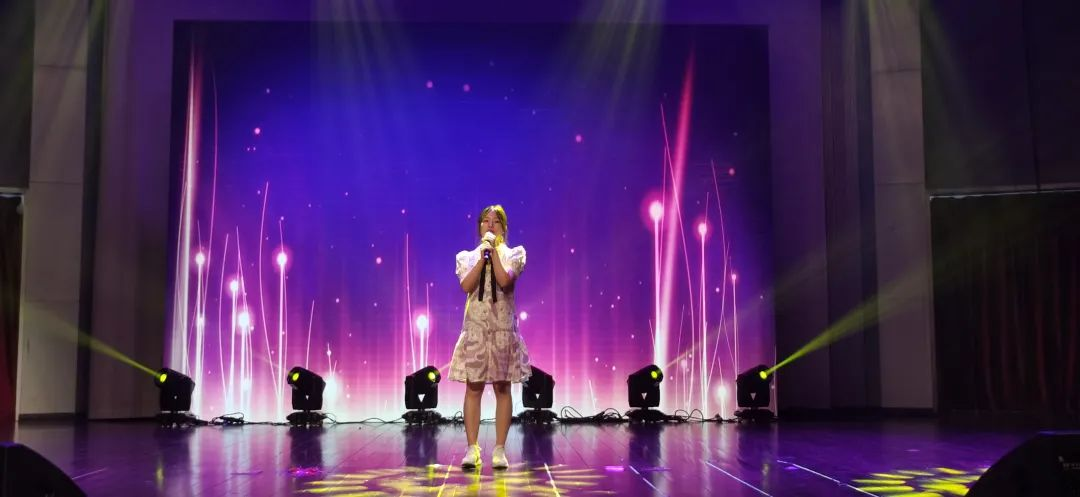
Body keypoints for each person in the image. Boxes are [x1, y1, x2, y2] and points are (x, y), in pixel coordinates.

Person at [449, 204, 531, 469]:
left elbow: (504, 281)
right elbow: (466, 285)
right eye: (486, 221)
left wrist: (494, 253)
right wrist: (482, 256)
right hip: (475, 331)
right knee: (473, 387)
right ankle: (472, 448)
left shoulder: (514, 254)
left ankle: (499, 449)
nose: (490, 225)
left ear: (504, 228)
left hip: (502, 331)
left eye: (496, 221)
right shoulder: (467, 257)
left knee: (502, 387)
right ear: (479, 227)